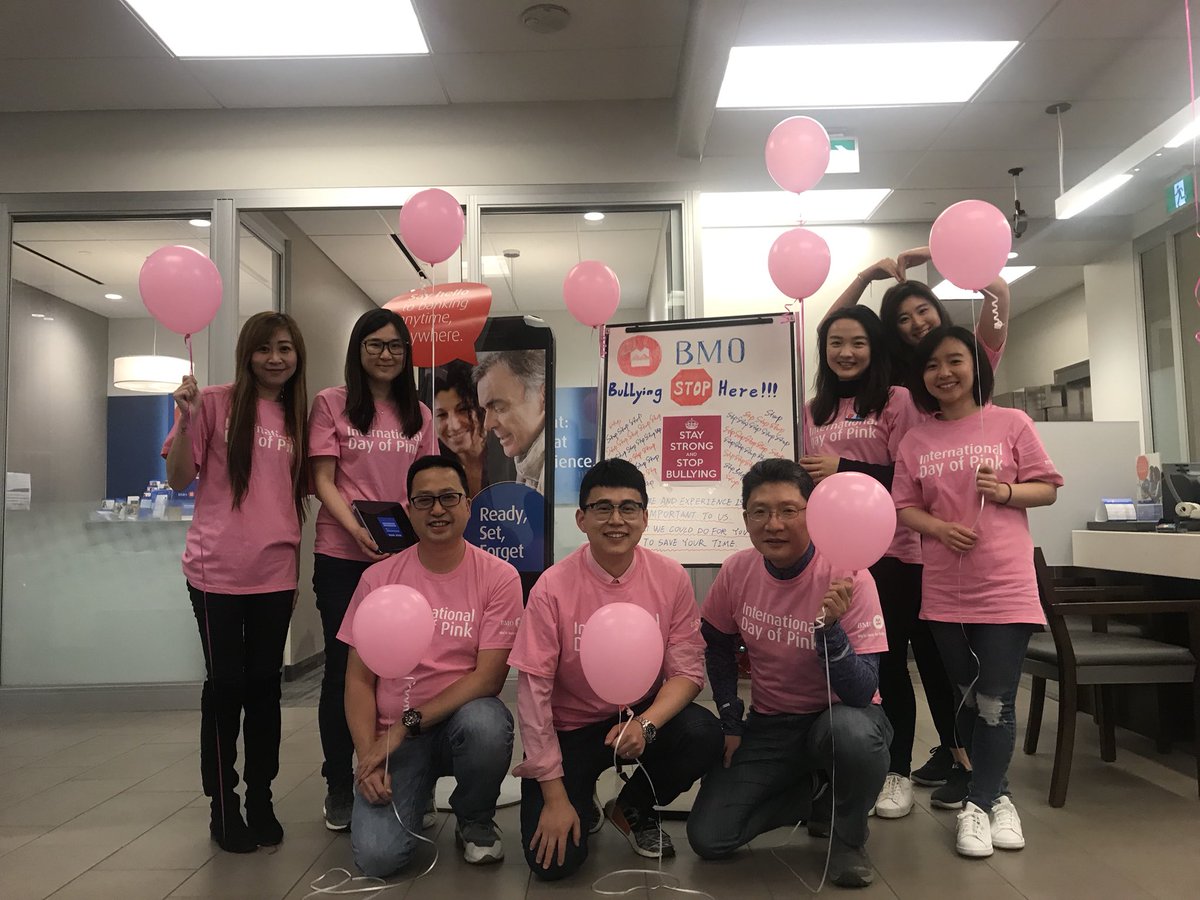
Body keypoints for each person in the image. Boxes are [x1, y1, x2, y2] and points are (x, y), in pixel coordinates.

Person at [892, 325, 1061, 859]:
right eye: (932, 365)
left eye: (954, 360)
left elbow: (1049, 488)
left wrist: (1006, 491)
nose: (944, 372)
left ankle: (980, 803)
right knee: (965, 696)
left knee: (996, 700)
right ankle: (1000, 794)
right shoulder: (916, 441)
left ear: (974, 366)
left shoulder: (1011, 422)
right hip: (944, 588)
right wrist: (939, 529)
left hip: (1005, 586)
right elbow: (903, 507)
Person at [509, 458, 723, 880]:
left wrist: (646, 724)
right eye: (602, 508)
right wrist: (554, 797)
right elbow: (532, 695)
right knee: (552, 865)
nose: (616, 520)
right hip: (573, 727)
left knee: (704, 735)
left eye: (629, 508)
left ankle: (632, 807)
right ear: (581, 518)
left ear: (645, 517)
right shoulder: (552, 586)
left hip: (640, 713)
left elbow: (687, 671)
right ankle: (577, 794)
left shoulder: (671, 577)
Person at [686, 459, 891, 889]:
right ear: (745, 518)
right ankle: (818, 795)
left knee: (853, 735)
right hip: (772, 723)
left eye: (788, 511)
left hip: (838, 717)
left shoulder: (850, 578)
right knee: (710, 837)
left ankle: (849, 836)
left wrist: (830, 633)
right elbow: (717, 644)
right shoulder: (737, 571)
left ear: (812, 514)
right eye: (759, 511)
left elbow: (862, 690)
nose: (773, 524)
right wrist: (729, 718)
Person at [338, 455, 524, 875]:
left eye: (448, 498)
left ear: (468, 505)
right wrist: (368, 754)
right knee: (377, 859)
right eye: (424, 500)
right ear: (408, 510)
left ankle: (474, 819)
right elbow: (358, 679)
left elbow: (489, 678)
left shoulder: (499, 577)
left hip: (456, 722)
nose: (437, 510)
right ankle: (413, 793)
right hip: (393, 738)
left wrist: (406, 724)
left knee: (488, 724)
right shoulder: (379, 579)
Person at [165, 311, 308, 854]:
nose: (276, 359)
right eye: (265, 348)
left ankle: (262, 798)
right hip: (214, 573)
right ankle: (222, 805)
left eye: (286, 349)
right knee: (225, 687)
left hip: (275, 573)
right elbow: (179, 477)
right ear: (246, 353)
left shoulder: (298, 412)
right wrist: (184, 420)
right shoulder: (215, 403)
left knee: (265, 688)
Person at [798, 307, 945, 821]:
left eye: (857, 342)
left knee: (888, 667)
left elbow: (911, 477)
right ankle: (830, 771)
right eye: (836, 342)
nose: (845, 352)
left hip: (893, 556)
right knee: (832, 663)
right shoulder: (813, 409)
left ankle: (895, 771)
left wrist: (846, 467)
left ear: (874, 347)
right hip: (826, 558)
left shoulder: (896, 400)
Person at [308, 308, 432, 832]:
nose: (386, 354)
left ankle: (406, 777)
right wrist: (356, 529)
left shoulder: (419, 415)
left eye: (396, 346)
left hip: (403, 558)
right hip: (342, 556)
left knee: (409, 673)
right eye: (375, 344)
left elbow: (424, 485)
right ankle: (341, 781)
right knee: (346, 673)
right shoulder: (331, 404)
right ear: (358, 350)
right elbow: (323, 479)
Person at [828, 244, 1010, 379]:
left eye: (923, 310)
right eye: (904, 319)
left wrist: (936, 254)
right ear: (894, 328)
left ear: (937, 309)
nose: (917, 322)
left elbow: (998, 291)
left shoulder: (972, 354)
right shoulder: (886, 370)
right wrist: (864, 278)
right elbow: (829, 329)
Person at [434, 359, 515, 497]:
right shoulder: (433, 460)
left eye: (463, 410)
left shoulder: (510, 452)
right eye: (442, 415)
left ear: (482, 408)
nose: (453, 426)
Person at [475, 350, 546, 493]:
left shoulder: (558, 471)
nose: (487, 425)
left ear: (544, 395)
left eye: (498, 407)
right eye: (485, 410)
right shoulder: (525, 462)